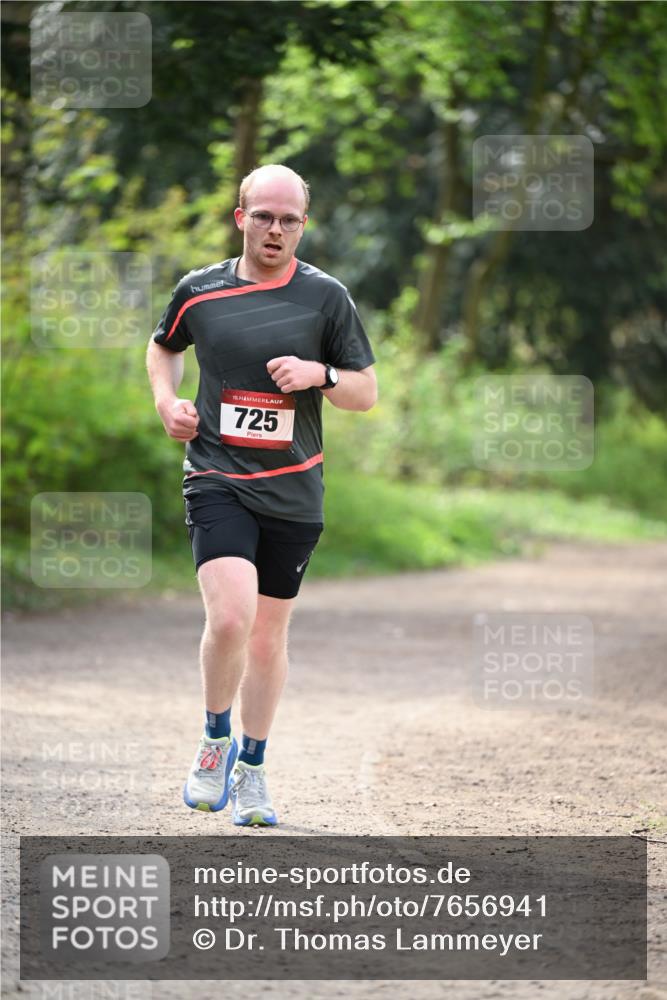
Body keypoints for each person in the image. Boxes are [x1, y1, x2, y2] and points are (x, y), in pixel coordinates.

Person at [146, 164, 377, 826]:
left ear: (304, 224)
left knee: (267, 641)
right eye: (265, 216)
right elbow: (162, 348)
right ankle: (214, 741)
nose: (276, 230)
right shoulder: (200, 290)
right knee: (229, 619)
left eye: (290, 219)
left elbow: (365, 392)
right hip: (216, 475)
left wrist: (320, 374)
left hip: (293, 491)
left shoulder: (326, 298)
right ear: (240, 217)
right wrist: (168, 401)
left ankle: (252, 768)